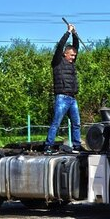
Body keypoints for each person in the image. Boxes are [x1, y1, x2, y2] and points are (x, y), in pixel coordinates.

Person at [44, 23, 81, 154]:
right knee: (56, 123)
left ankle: (77, 146)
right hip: (62, 97)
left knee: (76, 124)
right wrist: (68, 32)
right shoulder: (57, 62)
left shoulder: (72, 64)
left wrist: (75, 34)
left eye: (74, 56)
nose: (73, 57)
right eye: (71, 55)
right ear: (65, 54)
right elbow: (60, 46)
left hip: (72, 98)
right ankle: (48, 146)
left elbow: (75, 46)